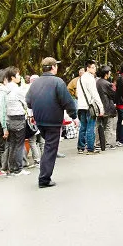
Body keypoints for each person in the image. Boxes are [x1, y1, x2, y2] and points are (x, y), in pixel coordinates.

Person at [26, 57, 77, 188]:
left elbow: (28, 101)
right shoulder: (58, 82)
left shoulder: (35, 83)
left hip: (40, 120)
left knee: (48, 147)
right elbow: (68, 101)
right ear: (53, 67)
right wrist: (73, 116)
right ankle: (44, 178)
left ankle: (44, 175)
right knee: (50, 149)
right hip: (53, 120)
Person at [0, 67, 29, 176]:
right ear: (12, 77)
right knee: (19, 145)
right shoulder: (17, 89)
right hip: (19, 117)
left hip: (9, 119)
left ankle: (11, 168)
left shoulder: (5, 89)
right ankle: (18, 169)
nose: (19, 77)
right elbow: (25, 103)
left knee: (12, 144)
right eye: (18, 75)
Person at [76, 60, 104, 154]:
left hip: (81, 106)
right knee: (90, 127)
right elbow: (95, 94)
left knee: (83, 126)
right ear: (87, 68)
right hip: (89, 106)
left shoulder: (80, 79)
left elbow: (77, 93)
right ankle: (91, 148)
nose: (95, 69)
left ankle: (80, 147)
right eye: (93, 67)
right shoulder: (90, 78)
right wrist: (101, 107)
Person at [95, 65, 116, 151]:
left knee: (98, 126)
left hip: (98, 107)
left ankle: (98, 143)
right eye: (109, 72)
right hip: (107, 107)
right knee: (108, 126)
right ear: (106, 74)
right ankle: (106, 143)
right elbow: (113, 95)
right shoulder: (107, 84)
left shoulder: (97, 82)